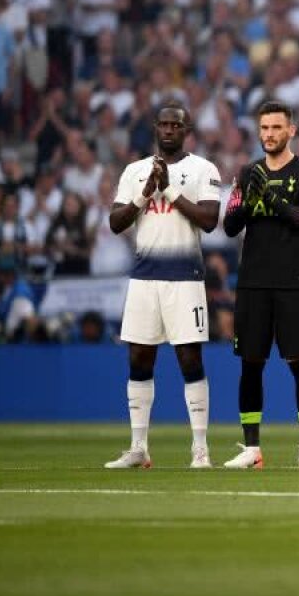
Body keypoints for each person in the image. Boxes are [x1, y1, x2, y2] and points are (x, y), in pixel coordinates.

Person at [104, 104, 221, 469]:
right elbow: (115, 222)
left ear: (186, 130)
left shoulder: (203, 169)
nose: (169, 130)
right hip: (144, 278)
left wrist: (168, 192)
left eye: (176, 125)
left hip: (185, 279)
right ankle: (139, 447)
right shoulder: (135, 171)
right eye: (164, 124)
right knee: (139, 358)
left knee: (190, 359)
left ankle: (200, 448)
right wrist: (145, 194)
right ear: (155, 128)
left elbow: (210, 220)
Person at [222, 100, 299, 469]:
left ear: (291, 131)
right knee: (251, 365)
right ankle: (252, 449)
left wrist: (270, 197)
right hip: (252, 282)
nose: (269, 135)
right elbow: (230, 225)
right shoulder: (247, 171)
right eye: (264, 128)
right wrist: (248, 199)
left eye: (276, 128)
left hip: (293, 281)